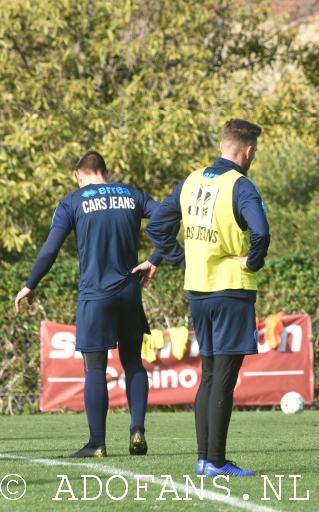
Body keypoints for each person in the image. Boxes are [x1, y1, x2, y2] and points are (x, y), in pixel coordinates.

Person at [14, 151, 161, 458]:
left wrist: (30, 285)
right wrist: (154, 258)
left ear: (79, 176)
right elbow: (168, 218)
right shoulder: (131, 194)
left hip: (95, 296)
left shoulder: (73, 201)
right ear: (105, 172)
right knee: (133, 361)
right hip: (129, 291)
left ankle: (97, 443)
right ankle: (136, 430)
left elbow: (50, 249)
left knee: (95, 367)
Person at [146, 119, 270, 477]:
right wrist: (253, 261)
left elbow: (156, 226)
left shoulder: (192, 180)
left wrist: (182, 258)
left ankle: (205, 459)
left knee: (209, 375)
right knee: (224, 380)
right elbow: (261, 232)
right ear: (247, 151)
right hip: (231, 289)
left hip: (198, 290)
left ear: (222, 146)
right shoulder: (241, 185)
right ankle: (215, 461)